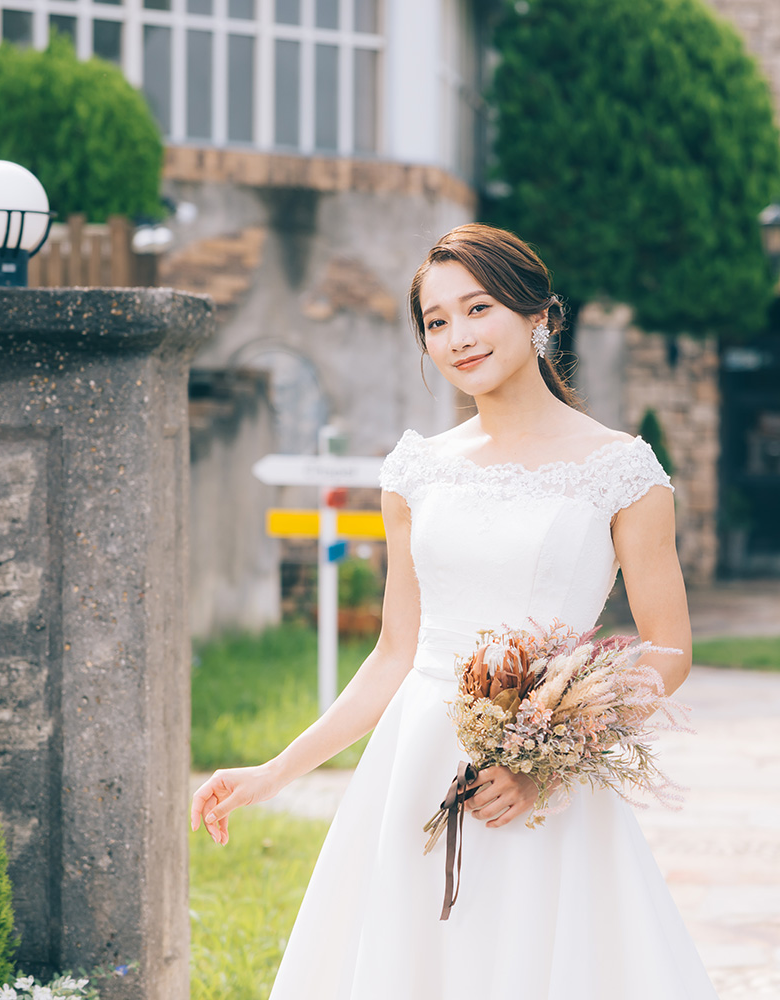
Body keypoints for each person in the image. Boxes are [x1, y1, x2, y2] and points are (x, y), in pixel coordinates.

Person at [190, 224, 719, 999]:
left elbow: (669, 651)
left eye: (478, 309)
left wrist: (546, 761)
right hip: (416, 770)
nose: (458, 337)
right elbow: (394, 656)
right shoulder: (416, 472)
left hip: (548, 793)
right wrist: (272, 774)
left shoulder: (622, 470)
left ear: (540, 314)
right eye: (436, 322)